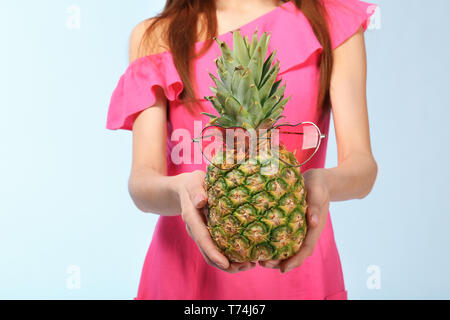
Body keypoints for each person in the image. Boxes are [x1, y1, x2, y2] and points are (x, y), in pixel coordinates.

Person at [107, 0, 378, 300]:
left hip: (301, 271)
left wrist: (320, 183)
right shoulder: (156, 35)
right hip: (184, 276)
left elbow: (362, 167)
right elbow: (142, 181)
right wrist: (181, 191)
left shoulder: (330, 19)